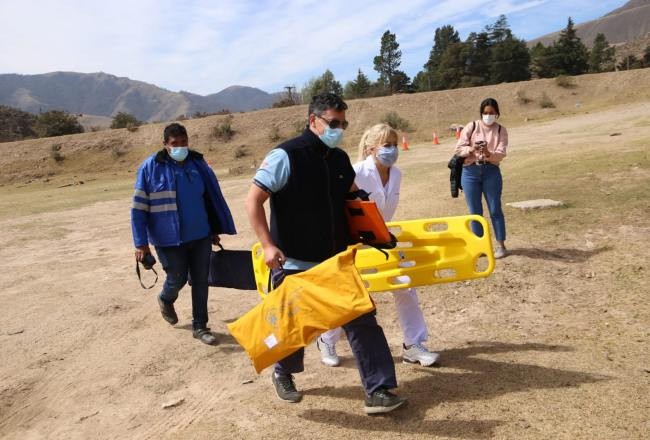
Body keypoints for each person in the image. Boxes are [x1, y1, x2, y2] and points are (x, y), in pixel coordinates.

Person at [245, 93, 407, 414]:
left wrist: (377, 233)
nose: (339, 129)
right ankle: (283, 373)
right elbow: (253, 201)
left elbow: (354, 198)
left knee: (362, 320)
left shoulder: (339, 159)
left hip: (335, 260)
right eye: (334, 123)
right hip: (293, 261)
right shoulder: (285, 156)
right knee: (292, 329)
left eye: (343, 124)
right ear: (313, 121)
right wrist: (268, 245)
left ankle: (378, 390)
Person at [317, 124, 440, 368]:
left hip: (383, 240)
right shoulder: (355, 172)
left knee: (405, 285)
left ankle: (413, 345)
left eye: (394, 145)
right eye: (386, 145)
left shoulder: (397, 175)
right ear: (371, 148)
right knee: (347, 293)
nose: (392, 150)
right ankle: (327, 339)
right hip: (353, 242)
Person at [131, 123, 236, 345]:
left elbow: (209, 199)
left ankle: (200, 326)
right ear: (165, 144)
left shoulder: (198, 164)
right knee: (176, 278)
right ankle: (166, 298)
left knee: (200, 280)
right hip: (168, 239)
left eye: (184, 142)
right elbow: (139, 209)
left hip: (200, 235)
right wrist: (141, 244)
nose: (180, 147)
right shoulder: (150, 167)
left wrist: (213, 229)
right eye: (174, 143)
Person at [455, 98, 509, 259]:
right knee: (475, 211)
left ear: (497, 113)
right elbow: (458, 149)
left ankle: (501, 245)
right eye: (485, 113)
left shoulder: (501, 130)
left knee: (495, 209)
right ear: (481, 113)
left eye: (491, 113)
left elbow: (501, 154)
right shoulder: (471, 126)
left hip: (491, 171)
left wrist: (487, 152)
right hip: (469, 172)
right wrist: (472, 148)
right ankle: (480, 247)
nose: (488, 115)